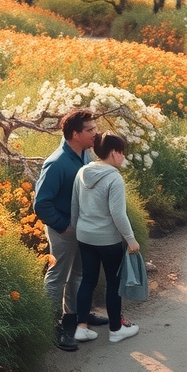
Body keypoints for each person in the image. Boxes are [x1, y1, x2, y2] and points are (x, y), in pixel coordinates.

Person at [33, 108, 109, 351]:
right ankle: (49, 326)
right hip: (64, 230)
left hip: (82, 228)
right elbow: (41, 203)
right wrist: (64, 227)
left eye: (95, 129)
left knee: (78, 274)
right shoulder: (56, 163)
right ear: (75, 134)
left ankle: (75, 317)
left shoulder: (84, 155)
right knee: (57, 278)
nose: (95, 134)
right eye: (90, 130)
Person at [70, 132, 141, 344]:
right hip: (107, 240)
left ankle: (81, 327)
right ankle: (115, 329)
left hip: (85, 237)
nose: (123, 158)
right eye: (122, 153)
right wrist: (131, 239)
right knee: (113, 282)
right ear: (113, 152)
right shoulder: (114, 178)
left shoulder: (82, 172)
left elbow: (75, 206)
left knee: (88, 280)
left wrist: (79, 230)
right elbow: (118, 214)